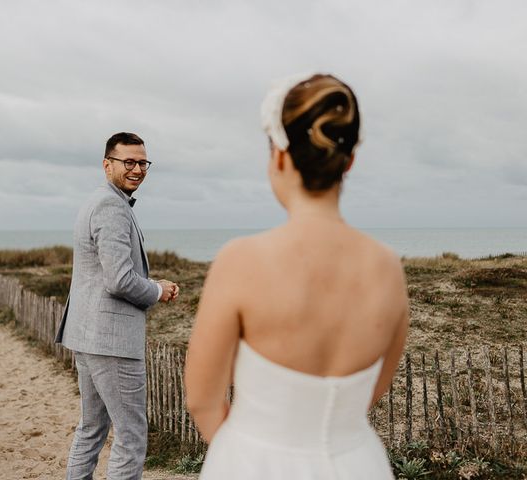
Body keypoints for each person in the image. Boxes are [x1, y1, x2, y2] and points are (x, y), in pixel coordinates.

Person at [185, 74, 409, 478]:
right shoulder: (388, 267)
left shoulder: (241, 261)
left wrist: (240, 456)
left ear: (281, 158)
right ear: (350, 161)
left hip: (253, 464)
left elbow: (202, 399)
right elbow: (371, 394)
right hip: (358, 464)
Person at [55, 132, 179, 480]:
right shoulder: (112, 206)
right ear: (107, 164)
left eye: (142, 162)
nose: (137, 169)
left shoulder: (100, 200)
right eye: (129, 162)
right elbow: (120, 280)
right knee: (131, 436)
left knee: (91, 429)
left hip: (88, 336)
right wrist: (158, 290)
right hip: (111, 341)